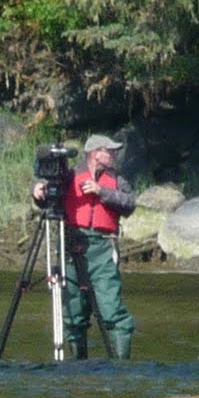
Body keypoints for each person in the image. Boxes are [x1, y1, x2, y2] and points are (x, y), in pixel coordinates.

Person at [32, 134, 136, 360]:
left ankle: (122, 367)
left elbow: (129, 204)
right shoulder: (69, 177)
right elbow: (49, 199)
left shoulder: (116, 180)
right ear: (95, 153)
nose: (114, 155)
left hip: (103, 247)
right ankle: (79, 366)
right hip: (70, 244)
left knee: (112, 311)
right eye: (109, 151)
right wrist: (38, 193)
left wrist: (102, 192)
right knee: (73, 314)